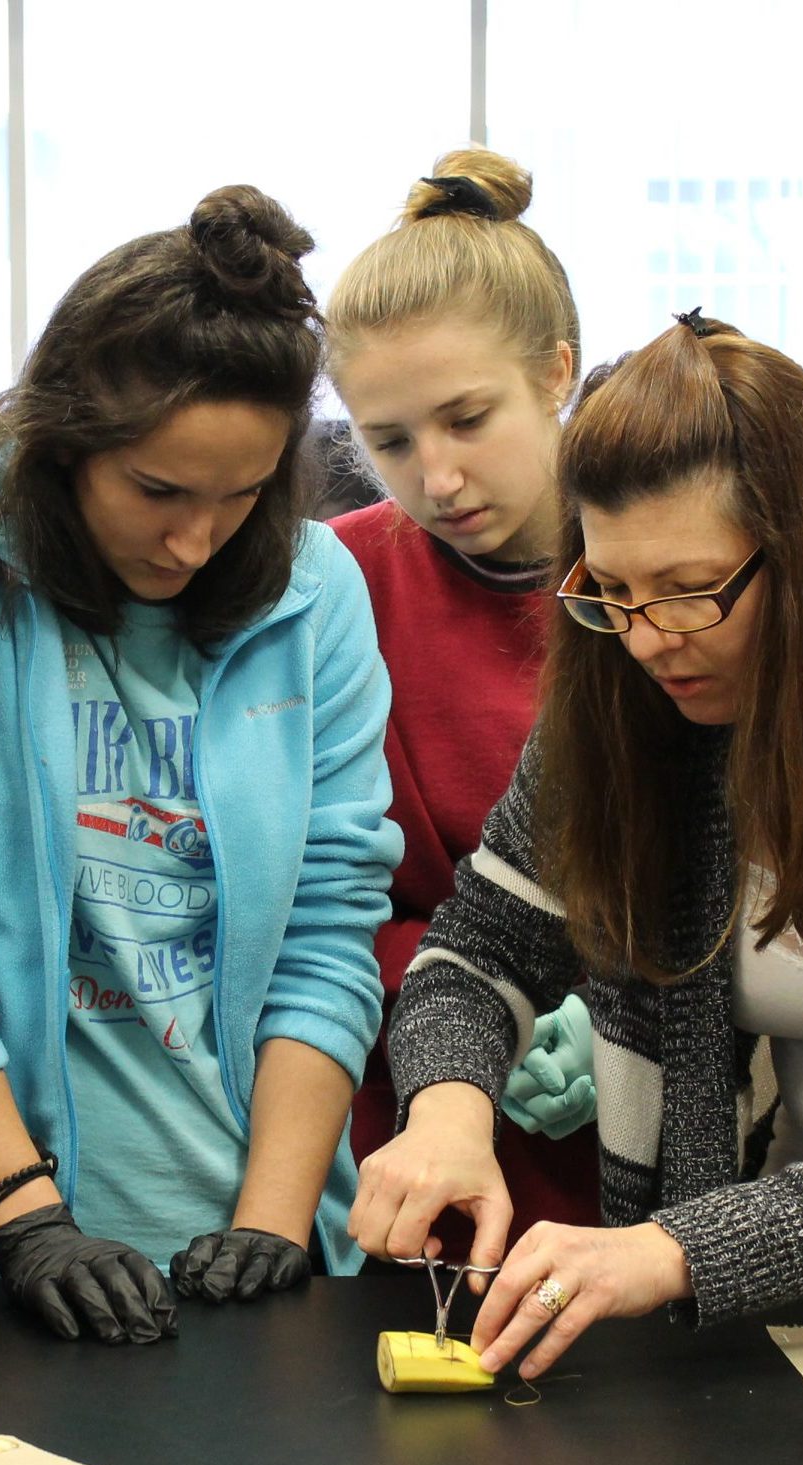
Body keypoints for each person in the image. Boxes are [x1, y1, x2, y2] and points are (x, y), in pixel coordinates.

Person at [349, 311, 803, 1381]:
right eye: (614, 592)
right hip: (793, 1306)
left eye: (689, 593)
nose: (647, 640)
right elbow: (479, 950)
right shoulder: (631, 704)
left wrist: (673, 1248)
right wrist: (449, 1115)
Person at [0, 188, 402, 1343]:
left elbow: (330, 924)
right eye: (159, 492)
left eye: (238, 499)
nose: (193, 541)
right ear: (67, 448)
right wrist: (23, 1219)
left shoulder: (317, 594)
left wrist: (276, 1222)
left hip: (264, 1251)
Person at [322, 148, 599, 1263]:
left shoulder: (670, 579)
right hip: (405, 1109)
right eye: (388, 442)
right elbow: (307, 896)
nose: (435, 478)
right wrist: (456, 1005)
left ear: (557, 373)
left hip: (641, 1126)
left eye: (467, 419)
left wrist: (613, 1008)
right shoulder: (331, 587)